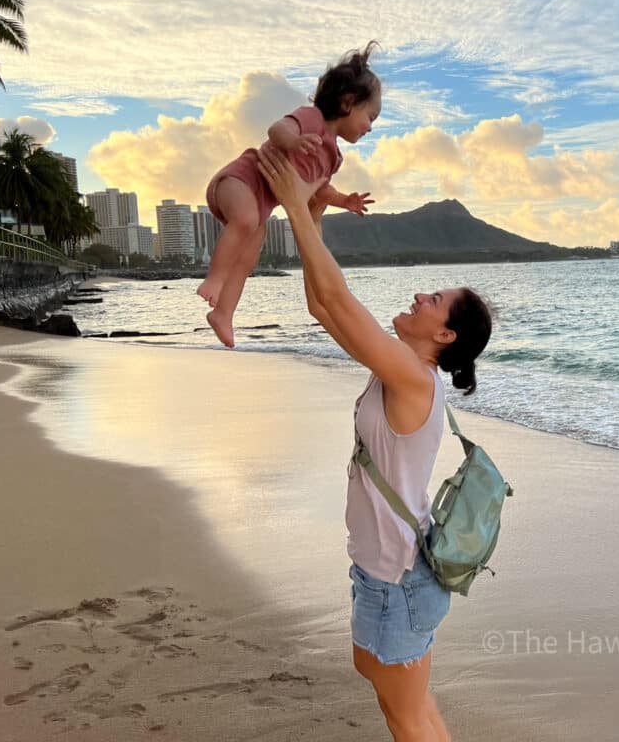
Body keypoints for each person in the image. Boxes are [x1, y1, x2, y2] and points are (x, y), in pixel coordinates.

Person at [256, 145, 492, 741]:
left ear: (443, 333)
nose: (418, 296)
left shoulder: (414, 379)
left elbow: (337, 300)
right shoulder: (394, 370)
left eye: (433, 300)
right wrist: (306, 213)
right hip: (386, 574)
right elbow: (320, 302)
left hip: (398, 579)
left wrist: (299, 208)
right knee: (399, 704)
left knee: (407, 716)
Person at [198, 42, 380, 348]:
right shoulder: (312, 119)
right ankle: (214, 278)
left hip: (260, 205)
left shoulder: (334, 157)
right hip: (240, 180)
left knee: (248, 258)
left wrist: (343, 201)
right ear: (348, 103)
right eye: (371, 117)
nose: (370, 128)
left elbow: (319, 189)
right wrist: (293, 143)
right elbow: (276, 129)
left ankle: (224, 313)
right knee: (245, 219)